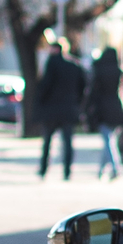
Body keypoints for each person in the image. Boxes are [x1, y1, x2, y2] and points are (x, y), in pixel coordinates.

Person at [34, 38, 86, 179]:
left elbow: (45, 85)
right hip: (69, 109)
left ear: (56, 49)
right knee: (67, 142)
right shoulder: (75, 65)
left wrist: (40, 102)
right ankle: (67, 171)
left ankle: (44, 169)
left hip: (52, 109)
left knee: (47, 142)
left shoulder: (52, 63)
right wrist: (77, 103)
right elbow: (83, 87)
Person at [89, 45, 123, 180]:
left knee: (108, 140)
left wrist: (88, 108)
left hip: (103, 108)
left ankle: (116, 168)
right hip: (117, 106)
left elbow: (93, 91)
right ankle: (101, 170)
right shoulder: (118, 71)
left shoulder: (99, 70)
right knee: (109, 140)